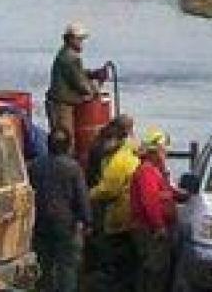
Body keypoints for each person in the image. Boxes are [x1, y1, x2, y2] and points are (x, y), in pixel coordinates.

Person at [28, 129, 91, 292]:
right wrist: (87, 221)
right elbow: (81, 196)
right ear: (69, 146)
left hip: (40, 222)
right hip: (66, 224)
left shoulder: (35, 166)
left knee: (43, 265)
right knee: (67, 267)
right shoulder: (73, 168)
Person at [130, 127, 187, 292]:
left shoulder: (156, 170)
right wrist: (159, 226)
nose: (165, 154)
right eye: (162, 150)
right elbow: (150, 202)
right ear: (153, 151)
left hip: (155, 228)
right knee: (154, 270)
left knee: (159, 269)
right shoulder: (146, 172)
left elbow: (166, 191)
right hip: (149, 230)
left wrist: (180, 195)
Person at [88, 116, 139, 292]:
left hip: (116, 211)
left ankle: (111, 280)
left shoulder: (118, 158)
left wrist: (89, 195)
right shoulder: (127, 151)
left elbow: (108, 188)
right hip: (121, 212)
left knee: (113, 252)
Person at [46, 22, 99, 139]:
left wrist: (92, 73)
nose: (81, 43)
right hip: (61, 105)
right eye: (79, 39)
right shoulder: (70, 58)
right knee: (65, 141)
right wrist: (95, 87)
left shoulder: (66, 54)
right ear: (69, 39)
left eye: (82, 39)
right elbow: (82, 86)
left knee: (64, 139)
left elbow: (76, 74)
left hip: (60, 103)